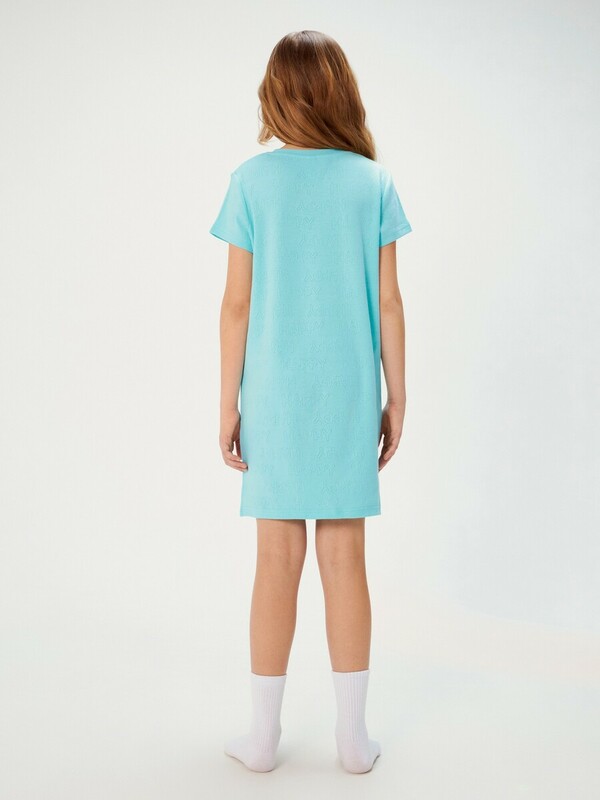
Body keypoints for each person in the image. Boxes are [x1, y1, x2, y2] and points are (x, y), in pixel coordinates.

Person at [209, 30, 412, 774]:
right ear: (341, 92)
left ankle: (262, 738)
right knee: (345, 556)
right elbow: (389, 302)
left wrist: (227, 404)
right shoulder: (373, 183)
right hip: (350, 392)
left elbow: (237, 305)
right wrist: (397, 395)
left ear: (274, 94)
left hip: (273, 395)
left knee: (276, 558)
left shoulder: (250, 182)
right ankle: (353, 741)